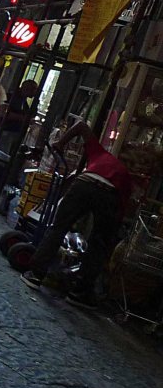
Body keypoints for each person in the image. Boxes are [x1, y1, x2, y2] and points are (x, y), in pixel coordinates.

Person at [21, 118, 135, 309]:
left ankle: (36, 274)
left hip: (85, 183)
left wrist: (60, 143)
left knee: (58, 228)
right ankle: (80, 291)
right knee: (99, 243)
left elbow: (81, 125)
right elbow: (120, 206)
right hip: (110, 193)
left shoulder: (99, 154)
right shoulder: (127, 178)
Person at [0, 79, 39, 153]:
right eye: (34, 90)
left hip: (13, 133)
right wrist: (24, 118)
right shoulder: (12, 97)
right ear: (27, 89)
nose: (35, 92)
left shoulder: (24, 102)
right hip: (6, 131)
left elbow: (30, 115)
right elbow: (3, 113)